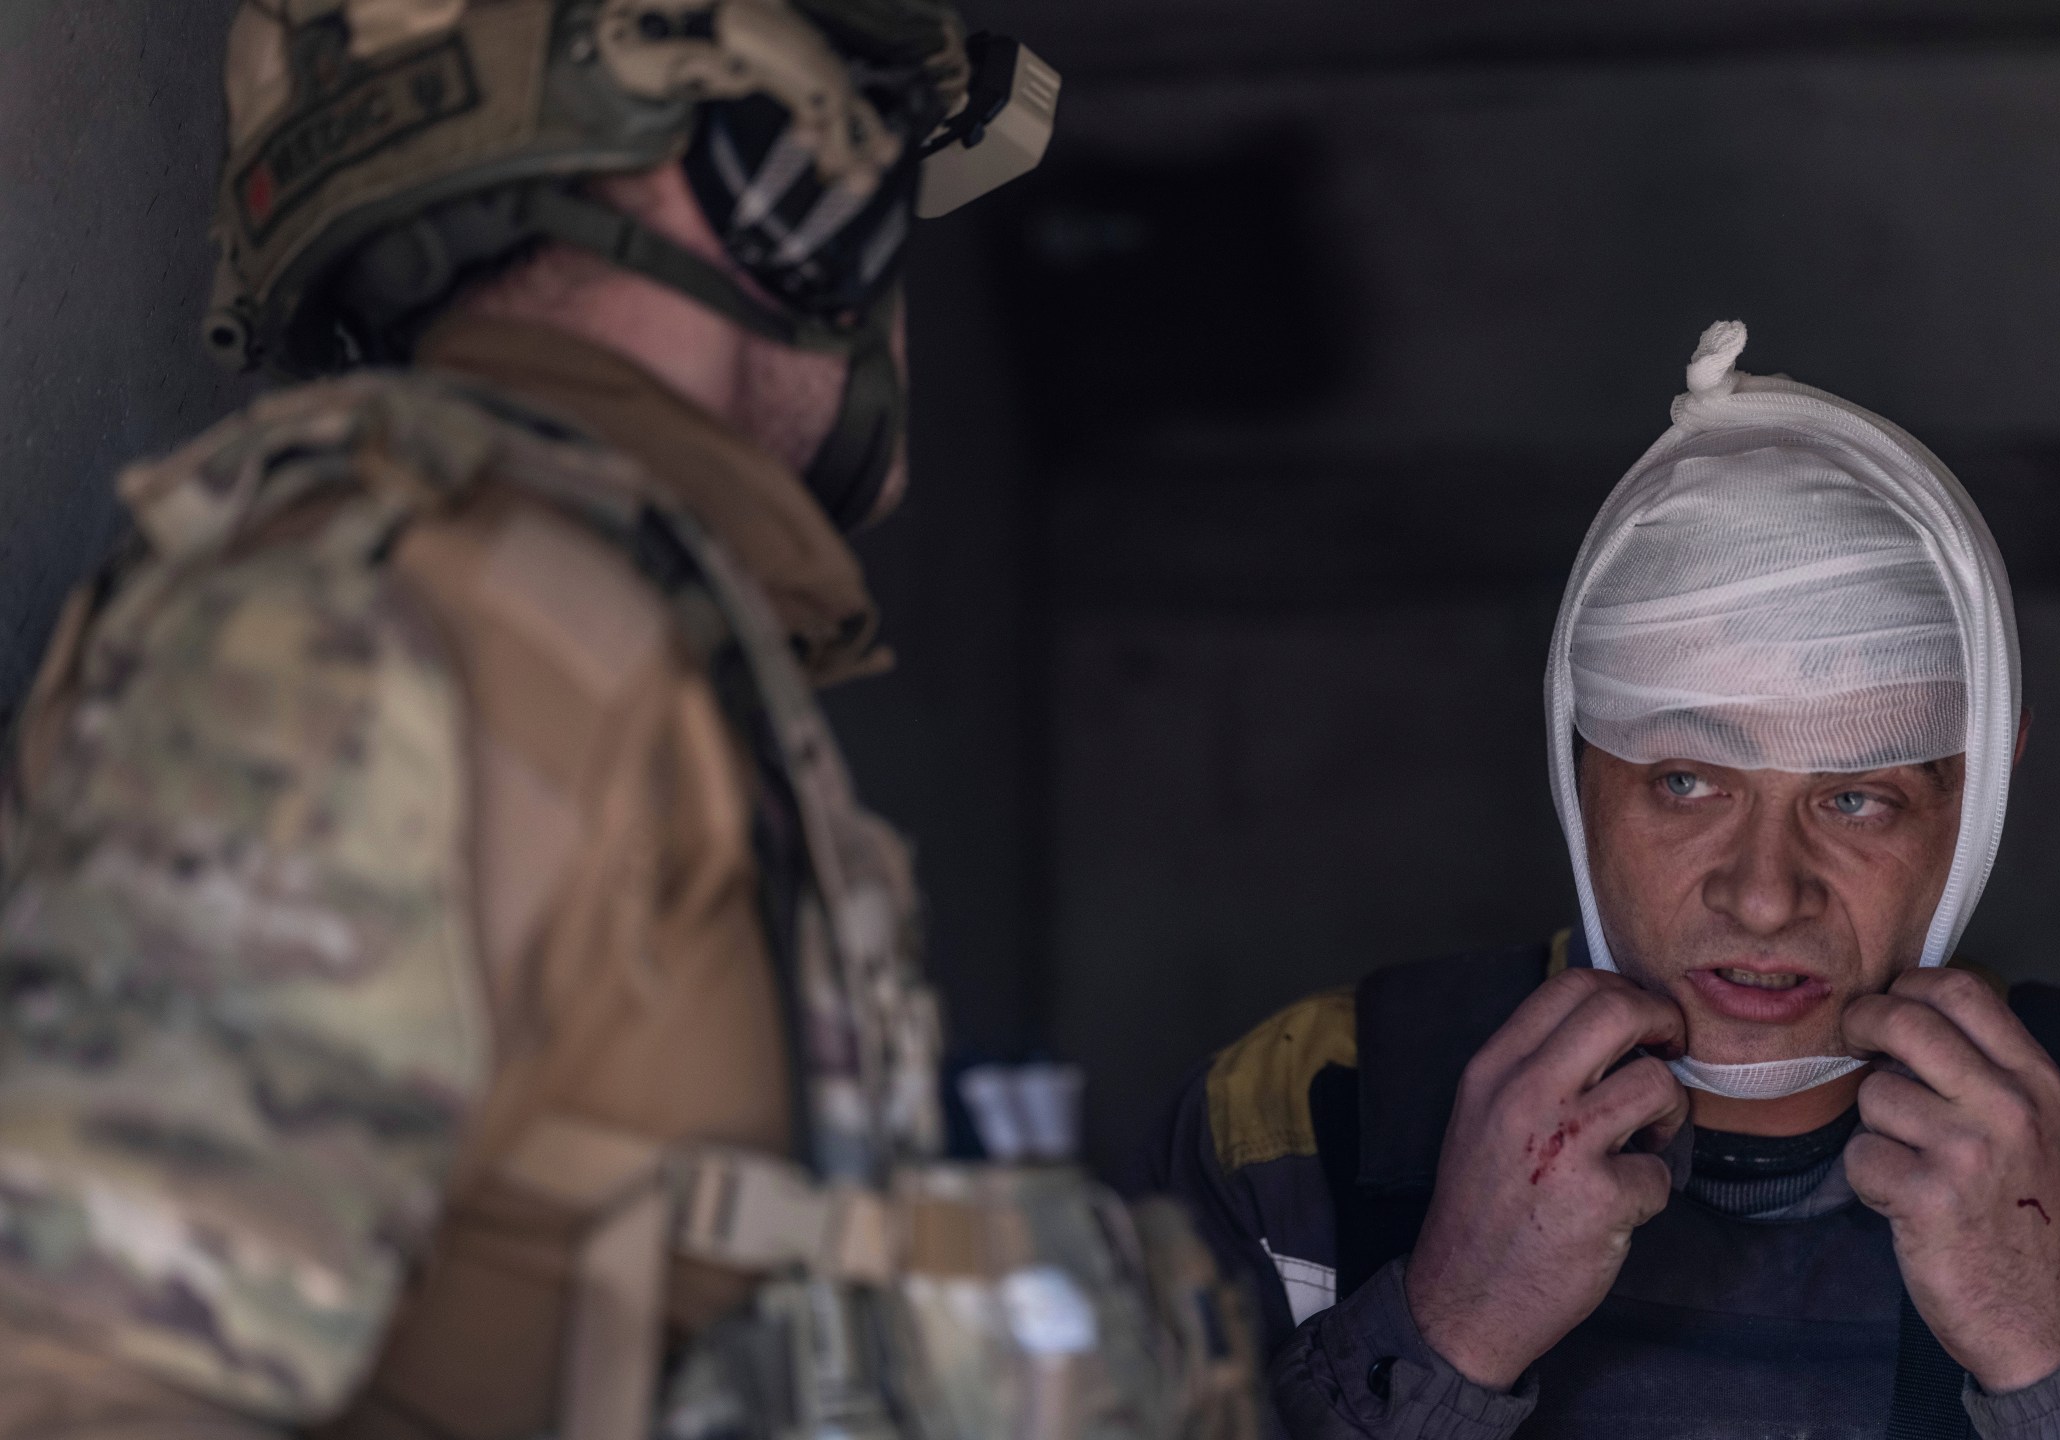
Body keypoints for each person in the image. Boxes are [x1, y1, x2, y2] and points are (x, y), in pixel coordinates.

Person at [0, 5, 1253, 1439]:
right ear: (762, 162)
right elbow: (69, 1380)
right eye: (871, 156)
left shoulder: (588, 638)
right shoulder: (400, 629)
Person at [1138, 323, 2060, 1440]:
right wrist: (1449, 1325)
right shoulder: (1312, 1121)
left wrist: (2058, 1355)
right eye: (1685, 781)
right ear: (1578, 769)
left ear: (1978, 802)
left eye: (1856, 800)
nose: (1760, 895)